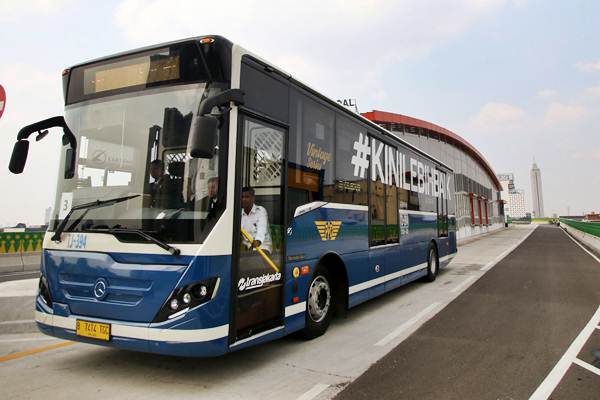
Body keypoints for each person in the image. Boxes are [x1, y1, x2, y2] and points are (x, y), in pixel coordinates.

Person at [241, 186, 272, 254]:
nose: (244, 199)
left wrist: (258, 241)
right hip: (248, 250)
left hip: (262, 248)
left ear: (253, 198)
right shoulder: (239, 214)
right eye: (242, 197)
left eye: (247, 197)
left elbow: (261, 229)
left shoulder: (260, 211)